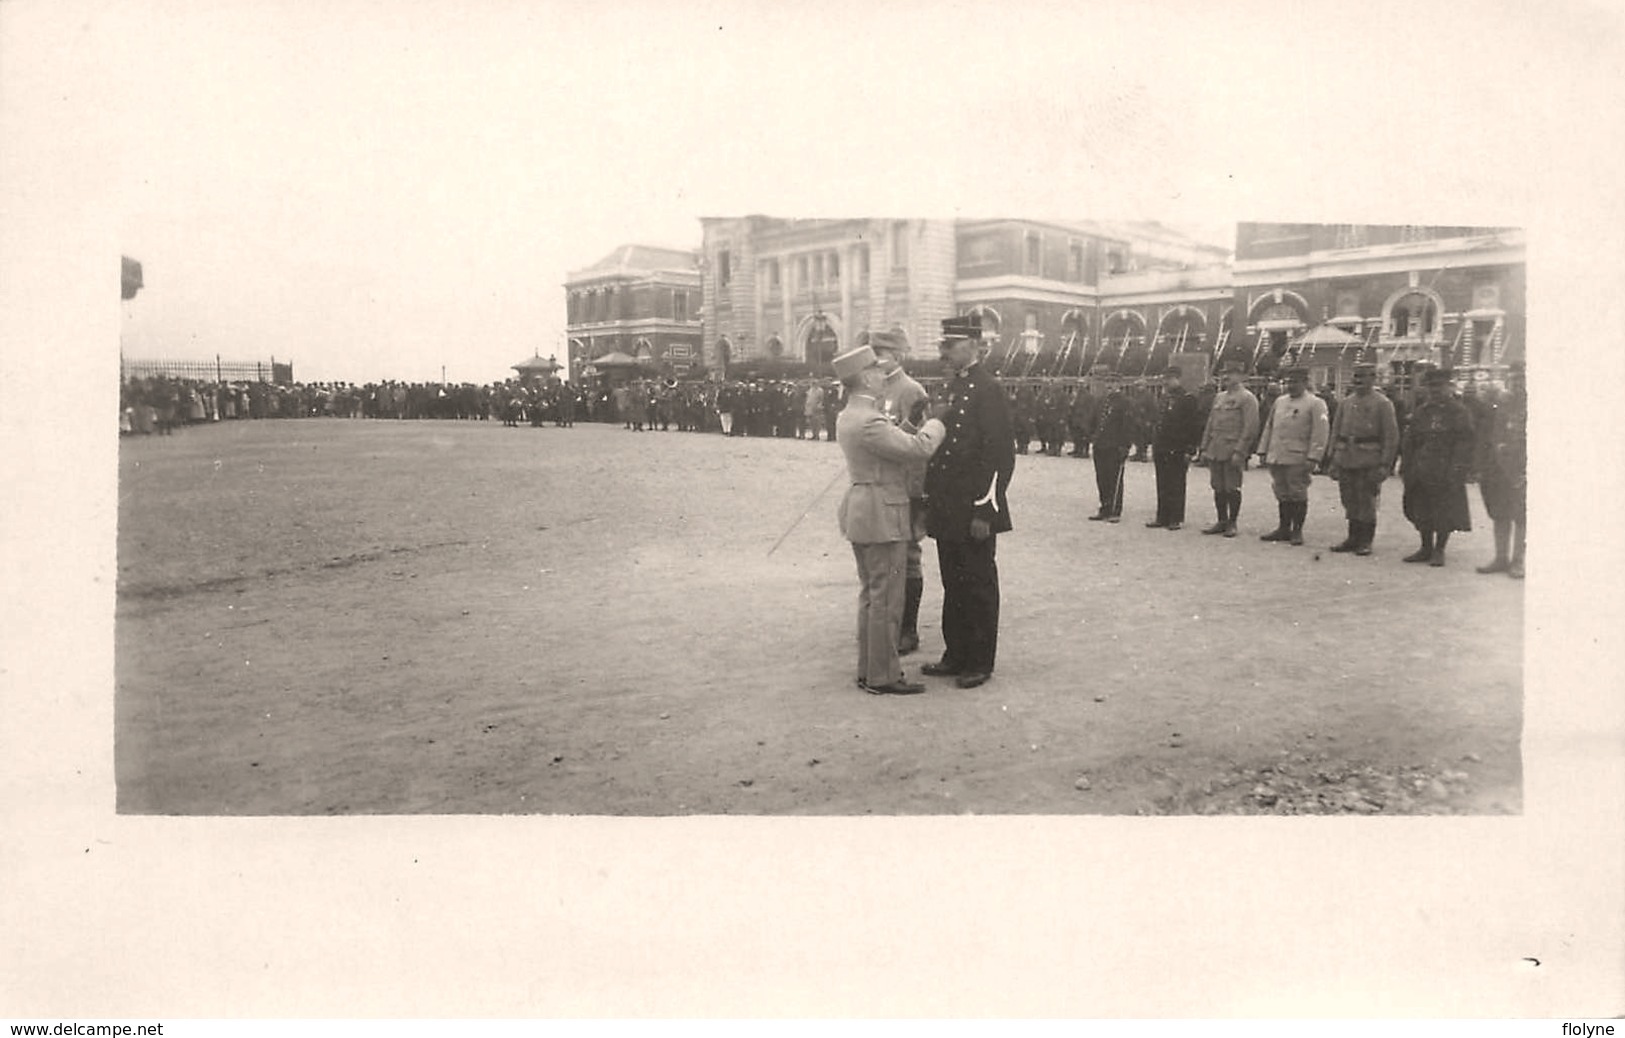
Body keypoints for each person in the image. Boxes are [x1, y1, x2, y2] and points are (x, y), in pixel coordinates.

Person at [832, 344, 950, 696]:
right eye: (878, 372)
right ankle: (883, 676)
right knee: (887, 598)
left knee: (871, 595)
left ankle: (869, 670)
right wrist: (936, 422)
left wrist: (910, 422)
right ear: (866, 378)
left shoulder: (850, 415)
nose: (883, 377)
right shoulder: (869, 420)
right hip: (883, 512)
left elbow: (890, 441)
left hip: (863, 511)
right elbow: (918, 449)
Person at [921, 315, 1014, 689]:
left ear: (974, 346)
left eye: (951, 346)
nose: (945, 353)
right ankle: (955, 653)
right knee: (953, 582)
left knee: (977, 583)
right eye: (944, 346)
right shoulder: (955, 388)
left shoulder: (988, 389)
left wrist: (984, 510)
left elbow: (999, 456)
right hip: (948, 505)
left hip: (973, 507)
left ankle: (979, 660)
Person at [869, 329, 932, 656]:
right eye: (875, 352)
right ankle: (891, 622)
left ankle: (909, 630)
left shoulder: (911, 390)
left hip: (905, 488)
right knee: (885, 557)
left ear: (898, 356)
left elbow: (920, 446)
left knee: (908, 558)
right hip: (880, 484)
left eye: (883, 353)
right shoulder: (876, 388)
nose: (878, 358)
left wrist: (917, 491)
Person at [1400, 367, 1476, 567]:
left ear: (1449, 387)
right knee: (1421, 509)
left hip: (1445, 470)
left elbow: (1465, 442)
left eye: (1439, 386)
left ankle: (1439, 549)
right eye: (1431, 386)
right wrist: (1406, 466)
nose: (1435, 390)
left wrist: (1457, 469)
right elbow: (1411, 440)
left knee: (1443, 512)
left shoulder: (1459, 411)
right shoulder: (1422, 411)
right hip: (1422, 468)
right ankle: (1425, 548)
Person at [1327, 362, 1399, 556]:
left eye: (1363, 377)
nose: (1358, 381)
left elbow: (1390, 437)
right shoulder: (1346, 402)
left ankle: (1366, 541)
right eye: (1356, 377)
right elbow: (1336, 431)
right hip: (1346, 458)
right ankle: (1352, 538)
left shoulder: (1383, 403)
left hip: (1369, 459)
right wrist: (1333, 459)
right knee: (1349, 500)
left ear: (1373, 378)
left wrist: (1385, 464)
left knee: (1366, 501)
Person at [1254, 367, 1331, 546]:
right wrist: (1263, 450)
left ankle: (1297, 531)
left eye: (1295, 382)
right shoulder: (1280, 402)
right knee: (1281, 492)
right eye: (1288, 382)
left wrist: (1314, 457)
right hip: (1278, 455)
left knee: (1297, 493)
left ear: (1305, 382)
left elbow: (1320, 432)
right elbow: (1269, 426)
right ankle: (1283, 528)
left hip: (1299, 456)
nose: (1291, 385)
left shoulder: (1315, 403)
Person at [1474, 362, 1527, 578]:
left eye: (1521, 379)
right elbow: (1488, 434)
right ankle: (1500, 557)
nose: (1517, 383)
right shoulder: (1500, 404)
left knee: (1522, 516)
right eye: (1513, 379)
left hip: (1524, 468)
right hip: (1498, 467)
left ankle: (1518, 561)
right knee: (1500, 513)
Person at [1196, 362, 1260, 537]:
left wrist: (1240, 451)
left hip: (1233, 449)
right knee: (1218, 486)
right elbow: (1211, 423)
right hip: (1216, 447)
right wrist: (1204, 447)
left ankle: (1232, 522)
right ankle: (1221, 520)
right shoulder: (1219, 397)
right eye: (1224, 374)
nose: (1226, 377)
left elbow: (1250, 427)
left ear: (1241, 376)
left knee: (1232, 487)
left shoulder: (1247, 398)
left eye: (1231, 374)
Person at [1146, 366, 1203, 530]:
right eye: (1165, 378)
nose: (1166, 382)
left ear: (1178, 379)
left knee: (1176, 483)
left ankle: (1175, 518)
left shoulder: (1187, 399)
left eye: (1170, 378)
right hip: (1162, 447)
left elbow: (1193, 425)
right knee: (1162, 483)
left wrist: (1190, 449)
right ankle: (1162, 516)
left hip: (1178, 447)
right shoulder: (1164, 398)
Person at [1088, 379, 1135, 522]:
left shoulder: (1125, 402)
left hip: (1115, 446)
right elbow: (1094, 420)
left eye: (1113, 383)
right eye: (1107, 383)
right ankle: (1105, 507)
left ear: (1119, 385)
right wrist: (1093, 437)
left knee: (1114, 478)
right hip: (1100, 445)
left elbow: (1127, 425)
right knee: (1102, 478)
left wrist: (1125, 446)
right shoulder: (1102, 401)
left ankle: (1115, 510)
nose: (1109, 386)